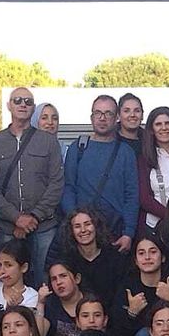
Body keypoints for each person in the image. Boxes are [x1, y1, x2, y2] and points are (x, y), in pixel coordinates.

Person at [0, 86, 64, 285]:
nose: (22, 104)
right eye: (17, 100)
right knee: (7, 279)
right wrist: (15, 217)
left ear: (33, 108)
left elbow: (56, 183)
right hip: (7, 228)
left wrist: (33, 217)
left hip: (44, 226)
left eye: (27, 101)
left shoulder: (49, 142)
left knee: (45, 279)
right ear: (9, 105)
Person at [62, 95, 140, 252]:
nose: (102, 118)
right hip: (82, 233)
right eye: (98, 113)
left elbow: (132, 195)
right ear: (91, 117)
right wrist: (75, 222)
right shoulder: (77, 148)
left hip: (115, 233)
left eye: (108, 113)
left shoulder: (126, 152)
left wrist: (128, 233)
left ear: (117, 117)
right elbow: (68, 188)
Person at [117, 234, 169, 336]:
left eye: (153, 252)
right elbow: (119, 331)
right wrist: (132, 313)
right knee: (143, 334)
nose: (147, 257)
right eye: (141, 253)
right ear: (135, 260)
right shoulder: (128, 286)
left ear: (163, 257)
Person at [56, 207, 125, 309]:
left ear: (96, 227)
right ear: (71, 231)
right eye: (77, 226)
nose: (83, 230)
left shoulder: (115, 257)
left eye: (87, 224)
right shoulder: (67, 261)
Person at [37, 260, 88, 336]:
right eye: (54, 279)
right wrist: (40, 303)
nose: (58, 282)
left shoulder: (91, 302)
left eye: (63, 276)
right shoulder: (50, 304)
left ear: (77, 279)